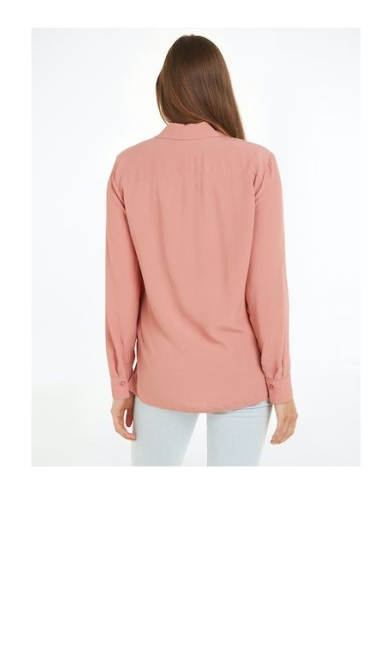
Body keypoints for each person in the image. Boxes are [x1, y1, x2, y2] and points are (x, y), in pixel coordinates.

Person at [105, 35, 298, 466]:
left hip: (161, 375)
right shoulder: (256, 164)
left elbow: (121, 289)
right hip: (239, 372)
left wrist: (120, 382)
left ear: (164, 89)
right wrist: (280, 384)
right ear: (219, 89)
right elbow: (267, 288)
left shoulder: (128, 167)